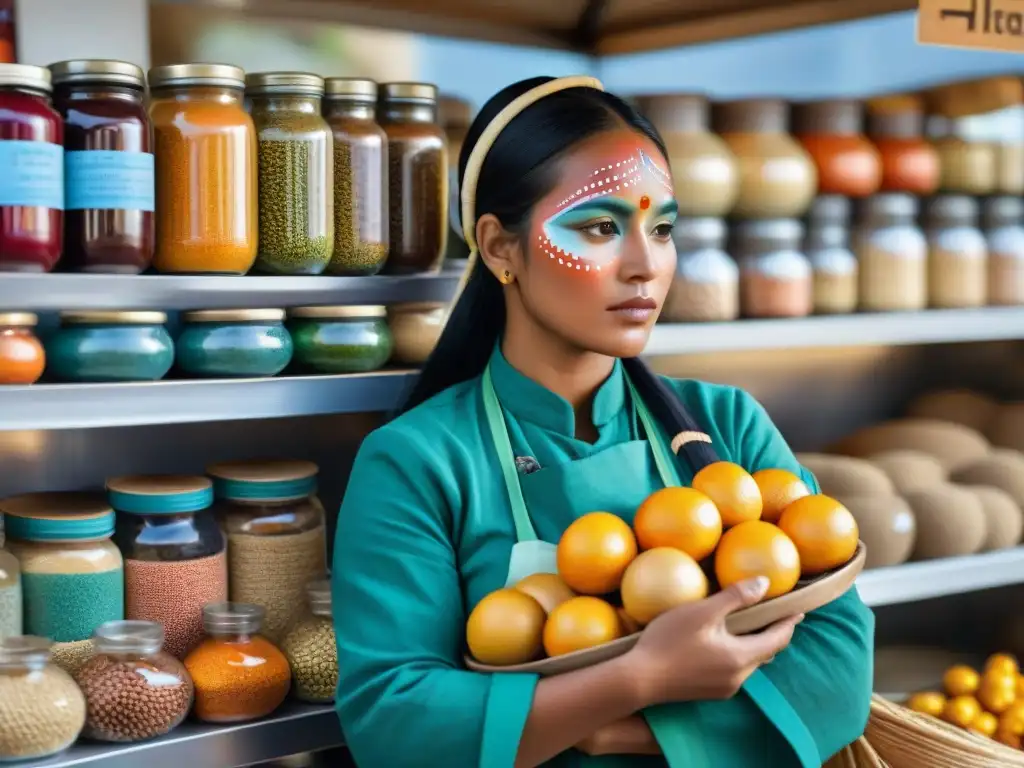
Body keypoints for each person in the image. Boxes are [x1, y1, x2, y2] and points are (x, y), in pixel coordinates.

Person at [332, 75, 874, 768]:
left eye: (664, 228)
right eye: (599, 227)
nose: (646, 266)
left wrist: (627, 733)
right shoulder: (416, 461)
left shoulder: (725, 425)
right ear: (500, 248)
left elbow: (840, 657)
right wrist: (639, 677)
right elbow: (392, 716)